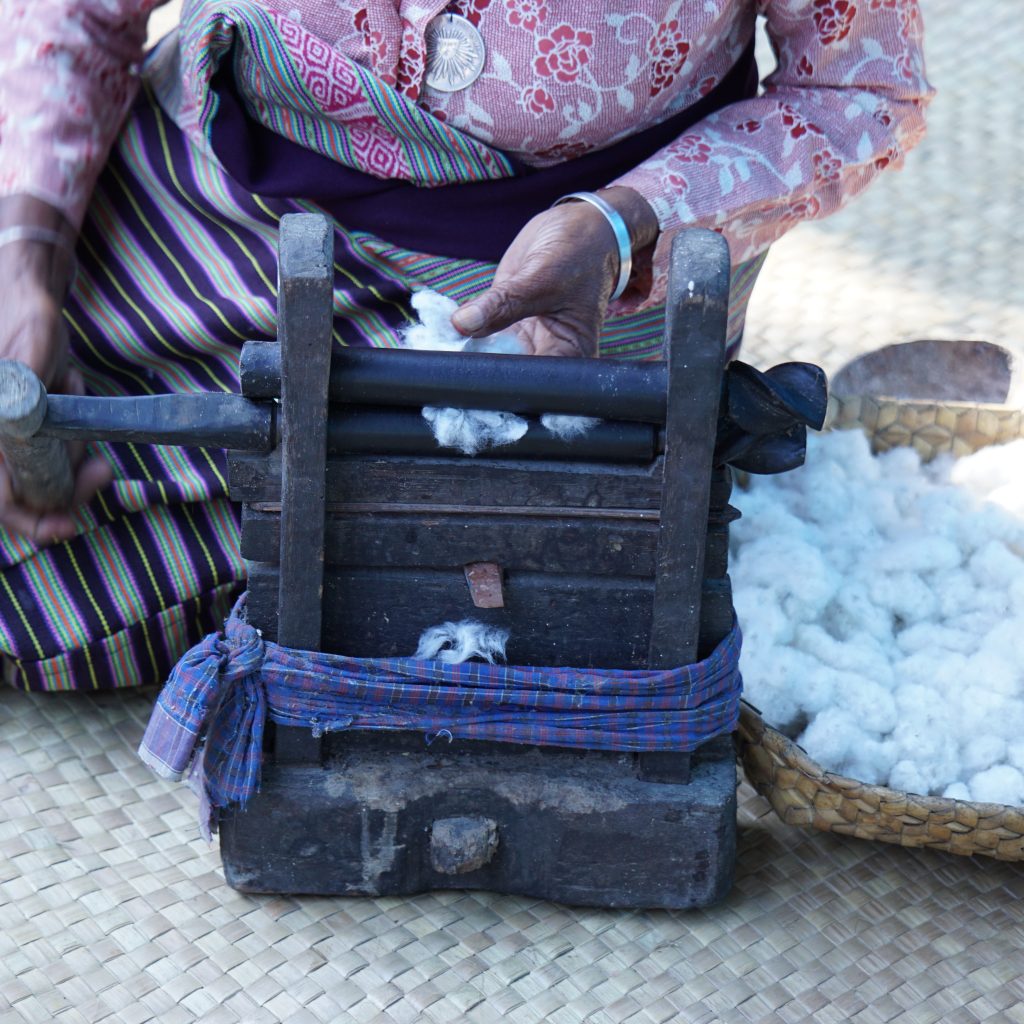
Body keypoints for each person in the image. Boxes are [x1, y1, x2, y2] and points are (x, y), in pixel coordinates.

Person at [0, 0, 931, 692]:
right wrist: (28, 245)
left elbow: (861, 89)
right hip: (202, 195)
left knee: (64, 606)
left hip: (528, 313)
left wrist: (620, 227)